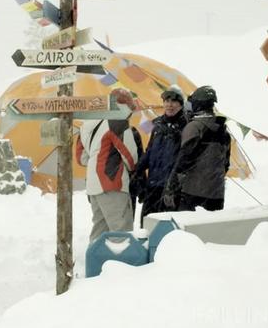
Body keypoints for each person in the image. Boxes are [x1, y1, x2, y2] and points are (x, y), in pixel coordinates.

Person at [76, 88, 140, 242]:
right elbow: (130, 157)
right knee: (121, 232)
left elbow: (81, 157)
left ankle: (95, 263)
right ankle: (121, 265)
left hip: (93, 184)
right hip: (112, 182)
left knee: (99, 231)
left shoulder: (87, 123)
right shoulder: (117, 120)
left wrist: (98, 155)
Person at [164, 85, 231, 212]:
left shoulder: (195, 127)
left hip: (192, 193)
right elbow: (226, 164)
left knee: (187, 230)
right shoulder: (222, 130)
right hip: (216, 194)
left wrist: (171, 187)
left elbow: (183, 160)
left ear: (197, 104)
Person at [133, 87, 188, 223]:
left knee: (168, 228)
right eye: (167, 101)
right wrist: (136, 170)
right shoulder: (157, 125)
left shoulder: (186, 126)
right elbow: (150, 151)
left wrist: (175, 186)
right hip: (153, 186)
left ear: (181, 104)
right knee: (147, 225)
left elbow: (187, 160)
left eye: (174, 101)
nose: (169, 105)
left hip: (172, 189)